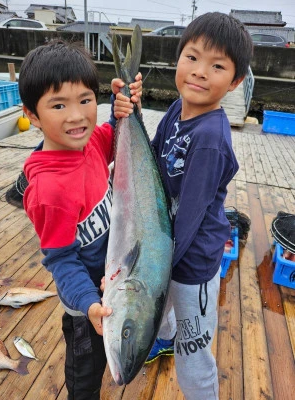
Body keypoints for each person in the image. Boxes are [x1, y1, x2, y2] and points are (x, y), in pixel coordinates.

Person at [19, 40, 142, 400]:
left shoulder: (87, 144)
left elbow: (112, 136)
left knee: (106, 363)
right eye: (59, 105)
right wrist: (88, 304)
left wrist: (123, 107)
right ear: (33, 115)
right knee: (85, 376)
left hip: (110, 279)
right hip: (84, 304)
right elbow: (61, 258)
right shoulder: (49, 192)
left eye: (86, 100)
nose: (77, 116)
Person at [144, 12, 252, 400]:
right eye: (192, 57)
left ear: (235, 81)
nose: (200, 72)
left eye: (217, 65)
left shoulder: (209, 137)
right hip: (166, 245)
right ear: (178, 58)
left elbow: (188, 221)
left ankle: (201, 391)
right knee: (161, 311)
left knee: (194, 352)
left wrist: (156, 264)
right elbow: (153, 158)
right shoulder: (177, 109)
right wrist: (130, 114)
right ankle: (164, 337)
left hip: (192, 263)